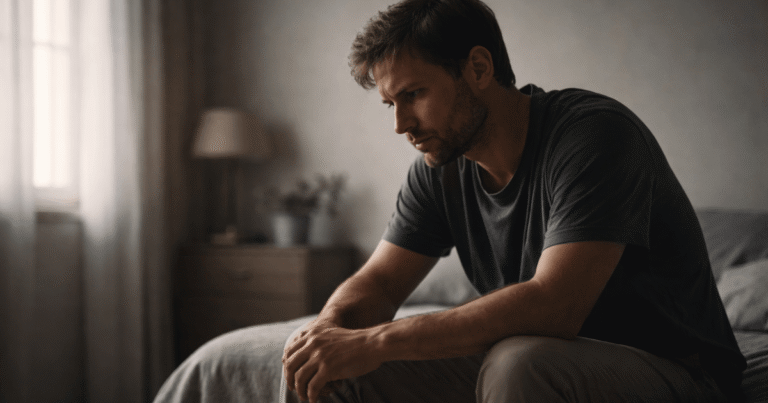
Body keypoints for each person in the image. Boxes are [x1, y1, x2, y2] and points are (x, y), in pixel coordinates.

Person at [281, 0, 747, 402]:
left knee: (519, 362)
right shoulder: (439, 170)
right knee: (327, 371)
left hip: (678, 371)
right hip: (543, 361)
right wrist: (328, 332)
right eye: (391, 104)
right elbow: (380, 283)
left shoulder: (594, 136)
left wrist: (380, 341)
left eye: (414, 94)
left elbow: (554, 306)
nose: (401, 124)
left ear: (478, 69)